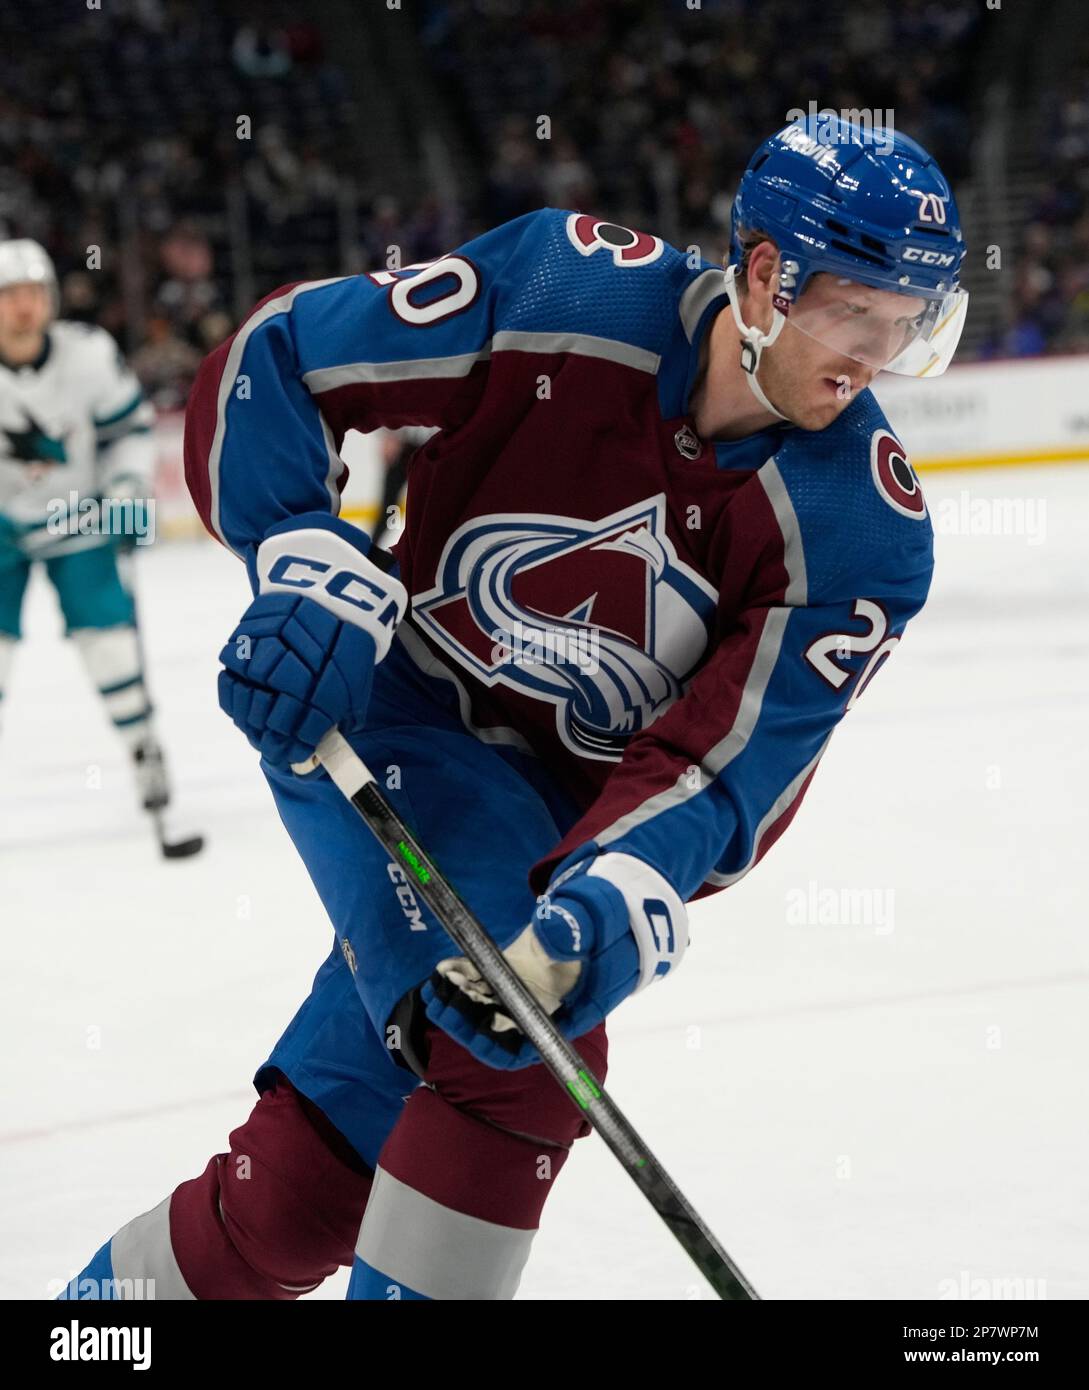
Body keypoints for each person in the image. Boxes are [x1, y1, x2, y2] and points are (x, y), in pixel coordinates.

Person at [59, 116, 967, 1301]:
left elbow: (729, 768)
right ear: (760, 273)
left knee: (298, 1200)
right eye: (855, 311)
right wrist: (297, 549)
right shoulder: (563, 283)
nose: (873, 357)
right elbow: (281, 353)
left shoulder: (865, 534)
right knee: (529, 1061)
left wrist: (618, 887)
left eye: (907, 324)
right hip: (387, 715)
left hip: (554, 837)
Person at [0, 239, 195, 848]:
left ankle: (146, 760)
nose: (22, 307)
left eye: (32, 293)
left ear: (51, 299)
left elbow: (130, 430)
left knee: (110, 647)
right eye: (8, 296)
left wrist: (128, 485)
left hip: (78, 520)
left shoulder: (87, 355)